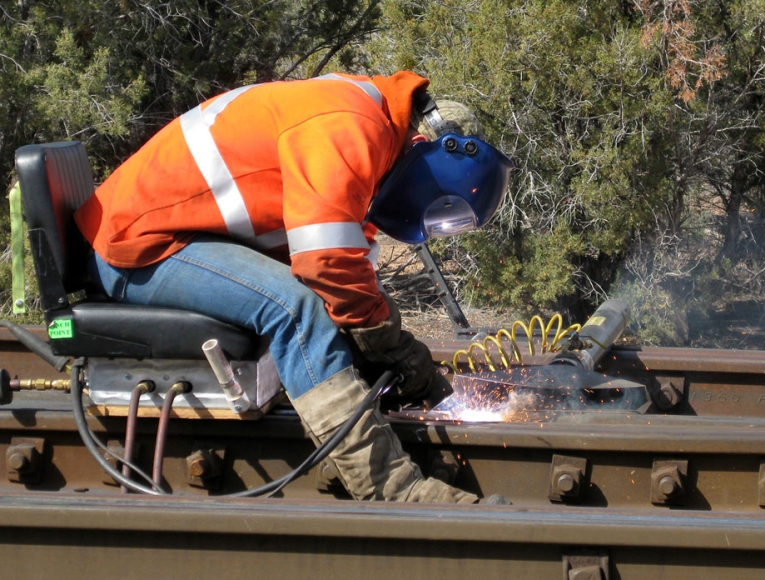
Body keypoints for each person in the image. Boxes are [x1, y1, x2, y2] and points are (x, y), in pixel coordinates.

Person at [74, 71, 513, 503]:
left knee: (327, 305)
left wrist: (385, 343)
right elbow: (324, 263)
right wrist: (385, 338)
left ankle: (351, 420)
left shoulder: (370, 130)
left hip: (171, 230)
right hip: (137, 243)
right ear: (428, 149)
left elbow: (349, 265)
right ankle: (393, 489)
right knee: (294, 310)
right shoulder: (352, 124)